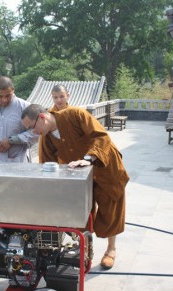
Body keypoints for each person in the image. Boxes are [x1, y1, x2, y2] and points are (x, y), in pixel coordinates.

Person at [21, 103, 129, 270]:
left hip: (104, 167)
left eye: (32, 127)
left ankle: (111, 249)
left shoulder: (75, 115)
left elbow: (100, 136)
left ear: (42, 117)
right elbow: (48, 165)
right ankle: (84, 249)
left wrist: (88, 158)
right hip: (80, 177)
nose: (32, 132)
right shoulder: (46, 138)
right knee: (81, 213)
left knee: (111, 209)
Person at [0, 76, 38, 162]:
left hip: (17, 162)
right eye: (0, 96)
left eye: (8, 95)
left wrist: (13, 140)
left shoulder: (25, 107)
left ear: (13, 90)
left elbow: (37, 133)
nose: (4, 100)